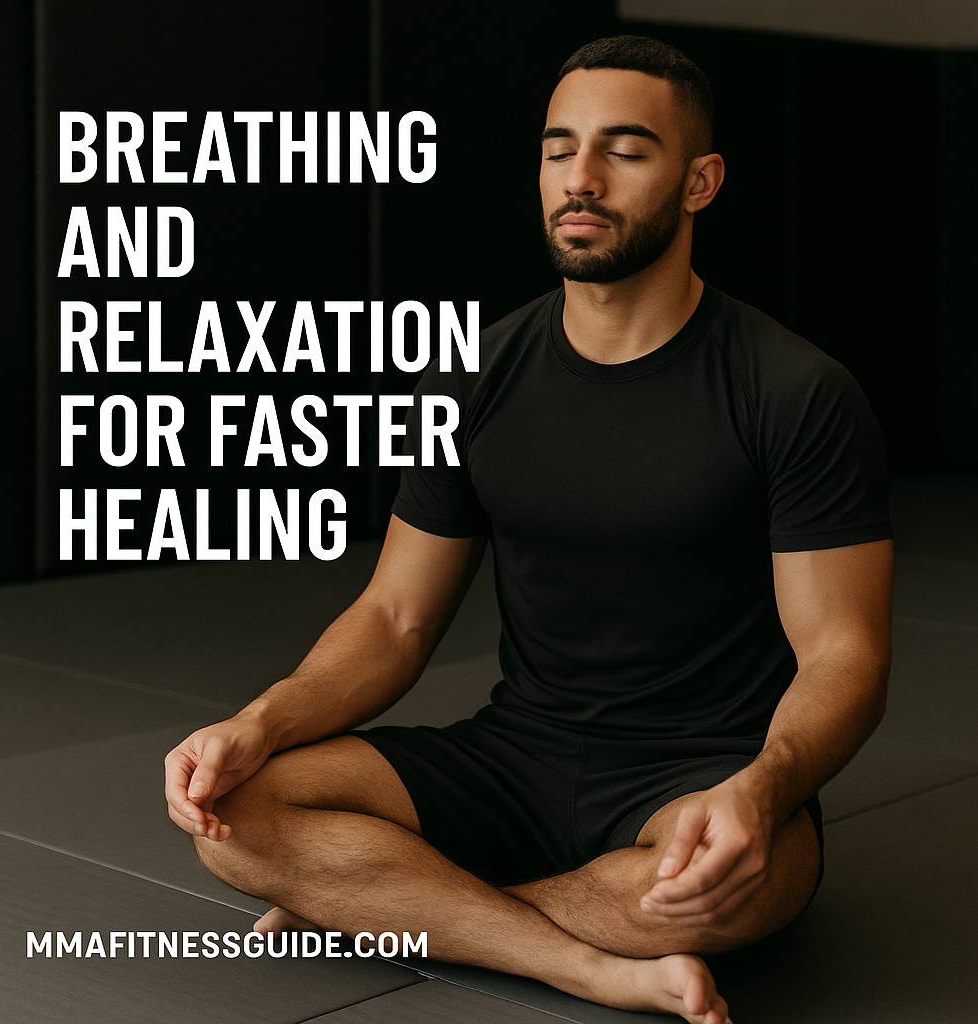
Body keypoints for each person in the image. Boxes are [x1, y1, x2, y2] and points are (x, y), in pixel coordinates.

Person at [165, 36, 892, 1024]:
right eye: (559, 149)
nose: (580, 179)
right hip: (515, 755)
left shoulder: (795, 392)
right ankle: (579, 963)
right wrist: (254, 724)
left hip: (696, 774)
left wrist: (761, 791)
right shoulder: (477, 373)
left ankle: (402, 907)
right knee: (234, 816)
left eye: (625, 150)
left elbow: (843, 652)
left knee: (736, 884)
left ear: (699, 181)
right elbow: (393, 618)